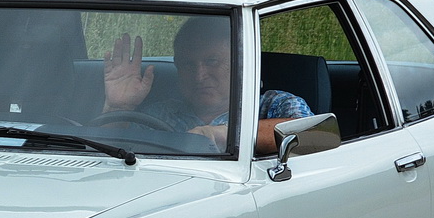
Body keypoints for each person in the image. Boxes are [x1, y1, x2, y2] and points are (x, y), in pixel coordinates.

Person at [99, 15, 311, 155]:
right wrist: (118, 108)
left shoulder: (273, 105)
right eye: (189, 65)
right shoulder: (159, 114)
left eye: (212, 62)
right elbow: (106, 158)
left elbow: (312, 135)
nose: (200, 76)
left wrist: (222, 135)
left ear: (240, 63)